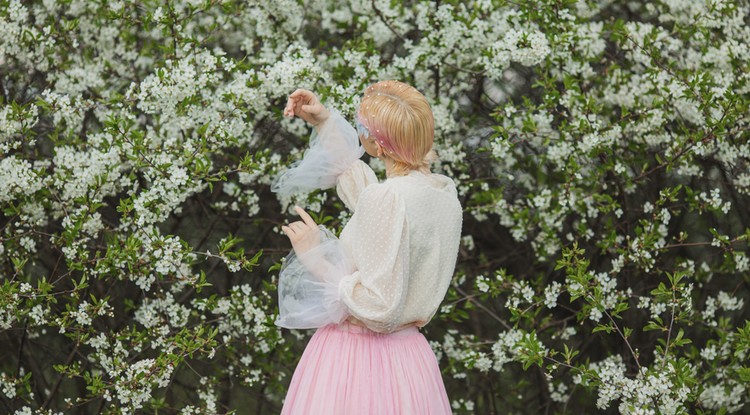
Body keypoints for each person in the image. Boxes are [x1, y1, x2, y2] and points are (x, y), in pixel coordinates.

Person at [272, 80, 462, 414]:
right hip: (409, 360)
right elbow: (364, 190)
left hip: (357, 361)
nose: (360, 133)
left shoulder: (388, 198)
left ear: (378, 144)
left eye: (362, 128)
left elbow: (379, 306)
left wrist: (314, 254)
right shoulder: (443, 195)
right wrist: (324, 122)